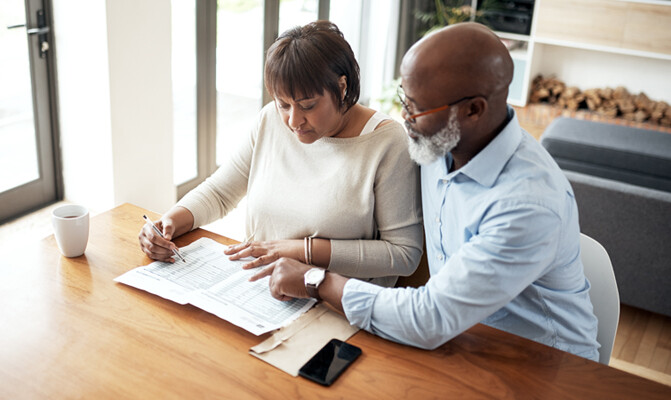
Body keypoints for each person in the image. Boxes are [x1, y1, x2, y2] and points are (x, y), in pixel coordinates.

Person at [253, 22, 600, 362]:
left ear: (473, 110)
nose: (405, 117)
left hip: (544, 364)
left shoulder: (527, 204)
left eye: (417, 108)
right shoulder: (439, 144)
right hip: (458, 345)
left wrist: (316, 279)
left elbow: (429, 317)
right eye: (405, 100)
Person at [139, 21, 423, 287]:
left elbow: (403, 254)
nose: (293, 121)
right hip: (261, 289)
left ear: (342, 86)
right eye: (283, 104)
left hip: (337, 305)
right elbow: (220, 192)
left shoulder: (387, 143)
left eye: (308, 105)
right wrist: (170, 222)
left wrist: (302, 250)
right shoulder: (269, 121)